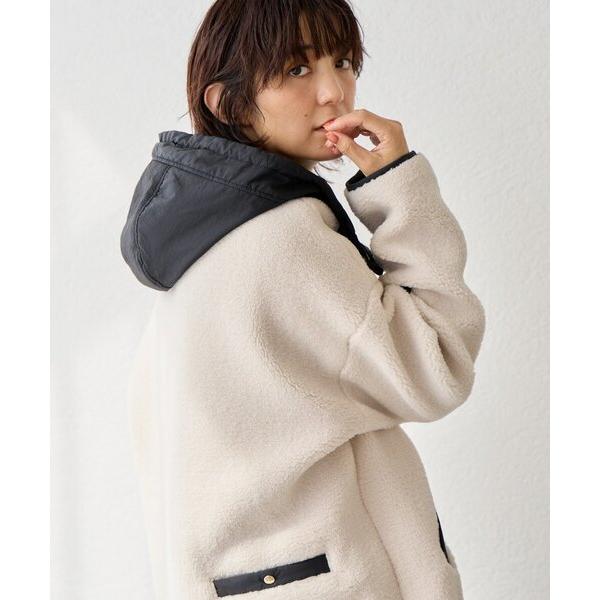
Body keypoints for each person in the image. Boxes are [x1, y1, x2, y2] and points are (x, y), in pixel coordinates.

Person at [120, 1, 486, 598]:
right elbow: (436, 368)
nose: (334, 91)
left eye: (342, 62)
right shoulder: (284, 237)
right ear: (228, 103)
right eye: (297, 69)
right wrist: (399, 189)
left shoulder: (198, 243)